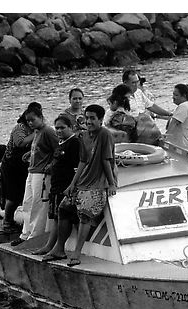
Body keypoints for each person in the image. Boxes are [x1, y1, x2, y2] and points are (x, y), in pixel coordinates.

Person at [53, 104, 117, 267]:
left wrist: (111, 184)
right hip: (83, 182)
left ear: (101, 120)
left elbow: (106, 160)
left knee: (85, 214)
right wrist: (73, 184)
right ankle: (59, 248)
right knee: (63, 208)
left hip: (97, 183)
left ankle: (77, 252)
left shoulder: (105, 135)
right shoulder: (83, 136)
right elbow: (82, 161)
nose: (89, 121)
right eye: (87, 118)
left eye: (92, 118)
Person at [11, 105, 61, 246]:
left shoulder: (48, 131)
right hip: (32, 170)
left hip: (41, 173)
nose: (30, 123)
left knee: (37, 205)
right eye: (28, 121)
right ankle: (25, 233)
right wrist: (30, 154)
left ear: (40, 118)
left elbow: (58, 149)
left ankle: (35, 235)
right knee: (27, 203)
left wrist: (51, 164)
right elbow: (40, 148)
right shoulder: (37, 132)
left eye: (33, 120)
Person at [31, 115, 80, 257]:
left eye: (62, 128)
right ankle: (49, 246)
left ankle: (59, 248)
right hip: (56, 185)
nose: (58, 130)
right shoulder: (61, 143)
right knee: (56, 217)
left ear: (71, 127)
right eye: (57, 128)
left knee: (64, 216)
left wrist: (72, 186)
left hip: (66, 186)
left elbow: (77, 167)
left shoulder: (74, 143)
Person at [0, 103, 38, 233]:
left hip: (24, 164)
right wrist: (37, 133)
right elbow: (20, 143)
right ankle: (7, 221)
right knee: (13, 195)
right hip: (11, 165)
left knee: (23, 194)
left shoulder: (35, 128)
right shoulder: (20, 128)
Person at [164, 83, 188, 150]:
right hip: (186, 143)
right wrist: (155, 116)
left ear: (184, 96)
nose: (173, 97)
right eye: (173, 94)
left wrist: (165, 138)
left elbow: (173, 123)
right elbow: (172, 117)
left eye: (176, 95)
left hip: (182, 145)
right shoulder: (187, 105)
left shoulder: (183, 107)